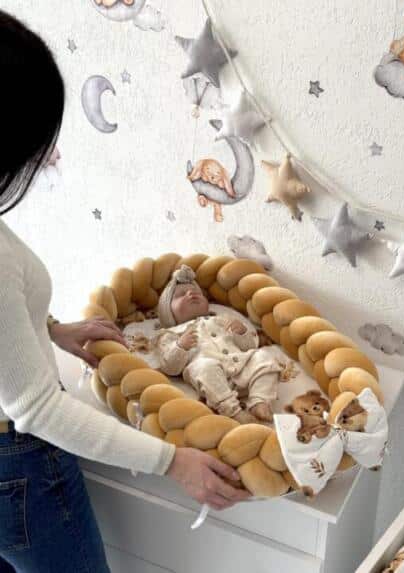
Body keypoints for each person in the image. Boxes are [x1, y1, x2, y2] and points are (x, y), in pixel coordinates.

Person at [0, 10, 249, 573]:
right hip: (20, 465)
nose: (49, 156)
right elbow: (37, 408)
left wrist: (47, 328)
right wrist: (171, 461)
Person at [156, 265, 283, 423]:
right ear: (167, 312)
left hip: (243, 368)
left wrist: (241, 333)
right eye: (181, 295)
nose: (191, 293)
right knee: (204, 366)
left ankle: (260, 401)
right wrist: (180, 346)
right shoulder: (171, 334)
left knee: (262, 356)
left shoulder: (221, 319)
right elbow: (169, 367)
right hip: (213, 381)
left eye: (197, 293)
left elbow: (249, 347)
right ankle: (233, 410)